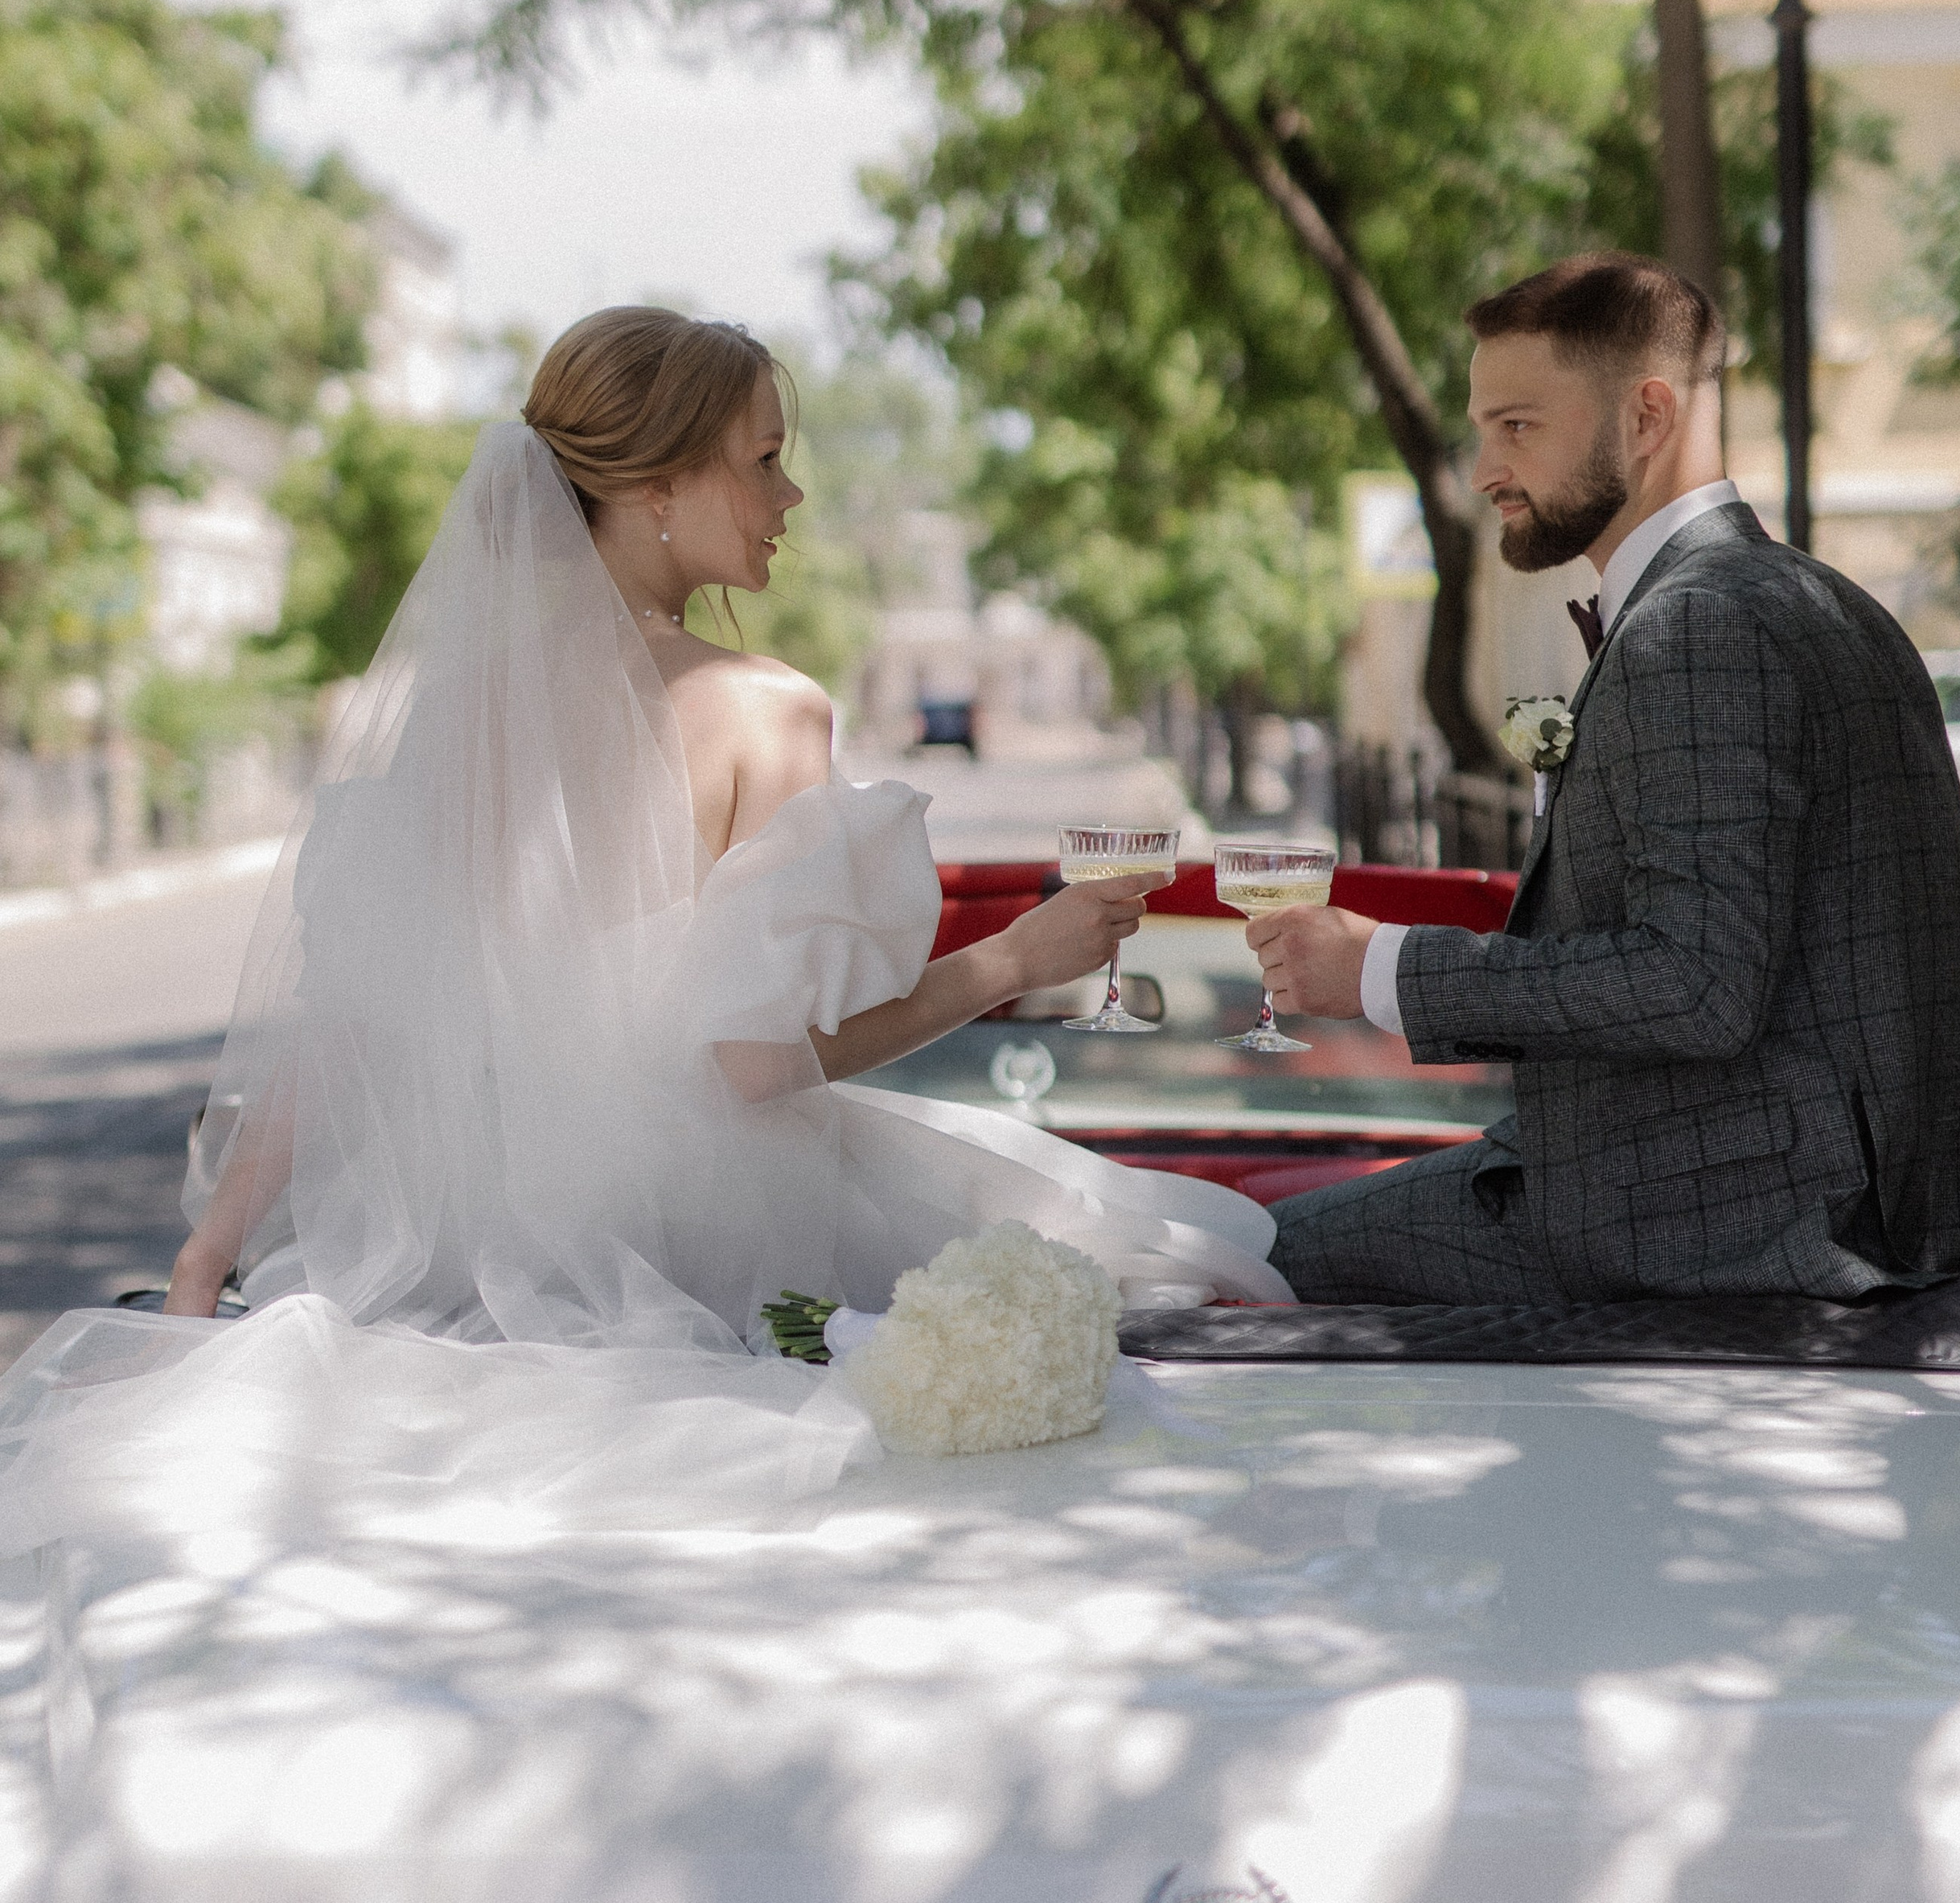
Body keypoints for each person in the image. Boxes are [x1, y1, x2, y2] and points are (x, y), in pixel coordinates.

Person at [1, 308, 1280, 1554]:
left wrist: (205, 1259)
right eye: (766, 459)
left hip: (474, 1239)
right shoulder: (768, 711)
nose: (791, 498)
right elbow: (758, 1065)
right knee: (1142, 1253)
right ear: (662, 483)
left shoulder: (462, 721)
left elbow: (343, 1025)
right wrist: (1014, 963)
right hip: (705, 1236)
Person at [1255, 253, 1960, 1310]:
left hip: (1738, 1239)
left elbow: (1697, 982)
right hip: (1756, 1199)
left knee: (1230, 1264)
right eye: (1482, 428)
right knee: (1253, 1227)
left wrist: (1383, 971)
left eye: (1517, 426)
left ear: (1647, 418)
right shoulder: (1822, 603)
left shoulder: (1696, 628)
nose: (1484, 470)